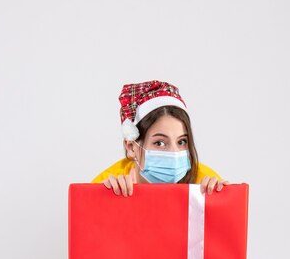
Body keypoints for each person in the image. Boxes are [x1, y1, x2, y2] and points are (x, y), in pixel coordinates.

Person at [92, 80, 228, 197]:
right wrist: (105, 201)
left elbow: (228, 224)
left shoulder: (203, 183)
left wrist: (219, 202)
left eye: (181, 142)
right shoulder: (108, 185)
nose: (174, 153)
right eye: (160, 143)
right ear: (131, 147)